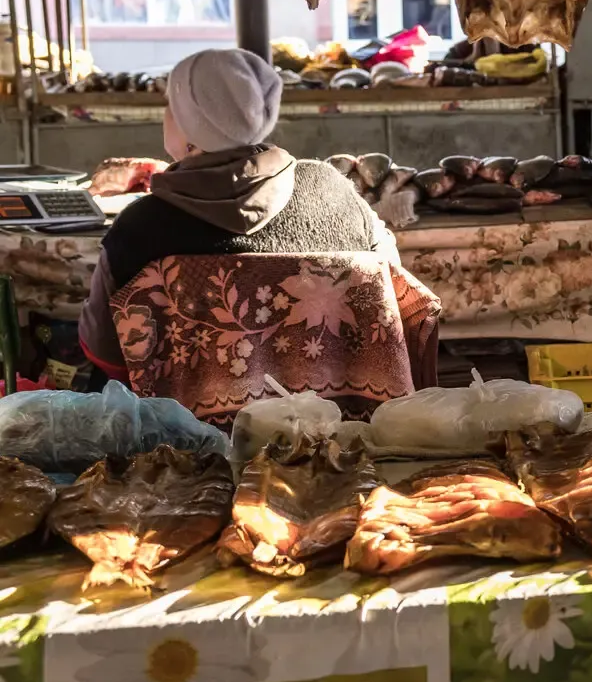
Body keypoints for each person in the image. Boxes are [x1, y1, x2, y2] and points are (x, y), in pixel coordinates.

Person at [78, 49, 429, 414]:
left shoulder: (140, 225)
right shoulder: (334, 190)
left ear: (191, 131)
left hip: (182, 451)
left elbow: (104, 352)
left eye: (171, 107)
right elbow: (393, 298)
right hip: (339, 437)